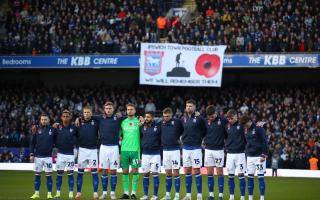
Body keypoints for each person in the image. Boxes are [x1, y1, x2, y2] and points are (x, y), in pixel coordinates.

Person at [95, 102, 124, 200]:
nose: (108, 110)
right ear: (104, 109)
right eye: (106, 108)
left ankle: (112, 193)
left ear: (113, 109)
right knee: (104, 170)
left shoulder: (118, 118)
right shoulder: (100, 118)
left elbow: (130, 117)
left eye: (110, 108)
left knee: (113, 170)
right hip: (103, 147)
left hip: (114, 148)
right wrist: (79, 118)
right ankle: (104, 193)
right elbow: (88, 116)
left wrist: (140, 118)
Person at [181, 100, 206, 200]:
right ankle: (188, 195)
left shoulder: (199, 118)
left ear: (194, 107)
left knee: (196, 170)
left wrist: (199, 137)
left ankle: (199, 195)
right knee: (187, 170)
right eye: (187, 106)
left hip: (196, 147)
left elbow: (205, 129)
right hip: (185, 148)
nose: (188, 108)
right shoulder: (183, 119)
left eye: (190, 106)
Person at [240, 115, 268, 200]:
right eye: (244, 125)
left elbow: (264, 141)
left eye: (245, 125)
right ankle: (250, 198)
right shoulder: (245, 130)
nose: (245, 127)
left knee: (260, 178)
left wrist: (264, 154)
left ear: (249, 121)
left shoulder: (258, 128)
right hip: (250, 157)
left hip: (259, 157)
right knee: (250, 178)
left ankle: (262, 198)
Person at [75, 106, 99, 200]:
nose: (86, 114)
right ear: (83, 113)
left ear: (91, 113)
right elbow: (75, 134)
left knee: (94, 172)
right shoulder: (79, 122)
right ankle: (78, 193)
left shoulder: (96, 121)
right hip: (82, 150)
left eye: (88, 112)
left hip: (93, 150)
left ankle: (95, 193)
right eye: (85, 112)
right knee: (80, 172)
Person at [203, 105, 228, 200]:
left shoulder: (223, 120)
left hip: (219, 150)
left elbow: (232, 124)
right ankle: (211, 195)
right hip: (208, 150)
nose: (211, 118)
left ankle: (220, 195)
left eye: (212, 116)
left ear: (216, 113)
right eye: (209, 116)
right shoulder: (205, 121)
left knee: (219, 172)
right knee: (209, 173)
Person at [29, 113, 55, 199]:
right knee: (37, 176)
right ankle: (36, 193)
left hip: (48, 157)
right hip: (38, 157)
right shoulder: (36, 129)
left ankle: (49, 194)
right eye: (42, 119)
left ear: (48, 120)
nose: (43, 121)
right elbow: (32, 143)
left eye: (45, 119)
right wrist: (31, 154)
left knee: (49, 176)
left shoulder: (53, 129)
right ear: (40, 120)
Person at [119, 103, 142, 200]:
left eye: (131, 109)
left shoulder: (139, 122)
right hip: (124, 150)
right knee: (124, 171)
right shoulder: (123, 122)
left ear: (135, 111)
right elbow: (120, 136)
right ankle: (125, 193)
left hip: (135, 150)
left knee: (135, 171)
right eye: (128, 109)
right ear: (126, 111)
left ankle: (133, 193)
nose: (130, 111)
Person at [54, 110, 78, 200]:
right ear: (61, 117)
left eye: (67, 116)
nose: (65, 118)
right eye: (64, 116)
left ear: (69, 117)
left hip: (70, 154)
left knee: (70, 174)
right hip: (60, 154)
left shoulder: (74, 127)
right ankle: (57, 194)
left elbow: (79, 136)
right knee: (59, 174)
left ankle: (71, 195)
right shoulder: (57, 127)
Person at [160, 107, 183, 200]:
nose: (165, 118)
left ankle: (177, 195)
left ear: (171, 115)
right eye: (164, 116)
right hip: (165, 151)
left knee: (176, 172)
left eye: (167, 116)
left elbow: (183, 130)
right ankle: (168, 195)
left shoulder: (177, 122)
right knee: (168, 173)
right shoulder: (161, 123)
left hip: (175, 150)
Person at [225, 109, 246, 200]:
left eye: (232, 118)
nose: (230, 120)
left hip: (240, 154)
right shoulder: (227, 126)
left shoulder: (242, 125)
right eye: (229, 119)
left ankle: (242, 197)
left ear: (236, 116)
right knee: (230, 176)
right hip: (229, 154)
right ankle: (231, 196)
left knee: (241, 175)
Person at [140, 111, 162, 200]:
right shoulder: (142, 127)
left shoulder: (158, 126)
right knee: (145, 174)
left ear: (152, 118)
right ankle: (145, 195)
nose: (146, 118)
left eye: (148, 117)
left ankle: (155, 195)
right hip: (145, 154)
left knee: (155, 174)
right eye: (146, 117)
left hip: (155, 154)